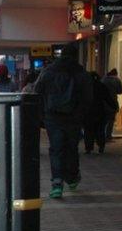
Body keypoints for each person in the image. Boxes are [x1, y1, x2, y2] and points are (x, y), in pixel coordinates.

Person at [34, 43, 92, 198]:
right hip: (74, 117)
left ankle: (57, 183)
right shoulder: (81, 72)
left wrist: (42, 114)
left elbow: (37, 91)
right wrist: (82, 115)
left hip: (53, 117)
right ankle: (72, 177)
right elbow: (88, 97)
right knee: (72, 147)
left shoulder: (49, 71)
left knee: (56, 149)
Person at [85, 72, 113, 154]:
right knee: (100, 130)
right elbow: (108, 98)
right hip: (100, 111)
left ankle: (89, 148)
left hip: (88, 112)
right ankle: (101, 146)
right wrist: (113, 106)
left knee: (88, 130)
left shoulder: (86, 87)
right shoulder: (101, 86)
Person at [102, 68, 122, 141]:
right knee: (111, 120)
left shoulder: (103, 79)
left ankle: (101, 135)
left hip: (103, 102)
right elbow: (120, 91)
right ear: (116, 74)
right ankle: (108, 136)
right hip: (112, 102)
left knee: (103, 120)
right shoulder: (117, 80)